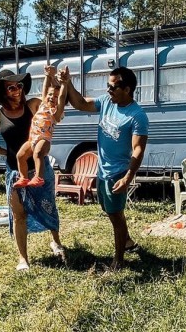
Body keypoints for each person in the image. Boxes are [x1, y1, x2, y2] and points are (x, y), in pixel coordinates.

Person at [0, 68, 65, 272]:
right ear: (3, 91)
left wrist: (51, 78)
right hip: (15, 173)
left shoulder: (32, 105)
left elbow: (47, 103)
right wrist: (4, 151)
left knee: (49, 206)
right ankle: (23, 258)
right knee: (18, 215)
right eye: (11, 87)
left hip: (40, 170)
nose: (16, 91)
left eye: (19, 86)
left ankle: (56, 241)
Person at [59, 65, 148, 270]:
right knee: (109, 210)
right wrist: (67, 83)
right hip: (102, 170)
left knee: (116, 215)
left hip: (118, 172)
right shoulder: (107, 101)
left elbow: (138, 150)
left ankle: (118, 260)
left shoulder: (137, 116)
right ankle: (126, 240)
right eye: (108, 86)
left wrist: (127, 178)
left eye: (113, 87)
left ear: (127, 89)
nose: (108, 91)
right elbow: (80, 103)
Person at [13, 66, 67, 188]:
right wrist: (48, 75)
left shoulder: (56, 112)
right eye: (51, 95)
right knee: (20, 155)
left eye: (55, 97)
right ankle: (23, 177)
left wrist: (64, 84)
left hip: (44, 139)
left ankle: (38, 177)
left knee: (37, 153)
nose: (52, 98)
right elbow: (45, 89)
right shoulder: (43, 104)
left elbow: (63, 97)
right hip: (32, 139)